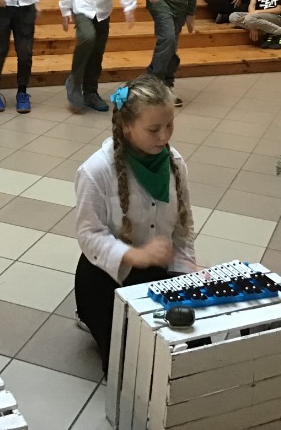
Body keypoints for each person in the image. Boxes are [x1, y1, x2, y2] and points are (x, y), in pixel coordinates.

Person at [74, 75, 195, 369]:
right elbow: (89, 235)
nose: (164, 137)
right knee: (131, 365)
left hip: (154, 272)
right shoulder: (96, 171)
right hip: (105, 278)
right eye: (153, 129)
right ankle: (90, 317)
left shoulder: (175, 163)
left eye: (169, 125)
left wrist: (187, 271)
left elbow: (183, 229)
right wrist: (134, 255)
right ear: (127, 126)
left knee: (188, 347)